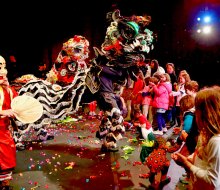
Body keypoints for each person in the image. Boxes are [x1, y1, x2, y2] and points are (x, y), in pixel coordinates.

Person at [171, 86, 220, 189]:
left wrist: (187, 165)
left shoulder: (216, 142)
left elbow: (212, 181)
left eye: (196, 109)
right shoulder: (205, 133)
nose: (193, 112)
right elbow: (201, 155)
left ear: (207, 114)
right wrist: (188, 159)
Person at [0, 55, 18, 189]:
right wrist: (2, 112)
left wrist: (7, 87)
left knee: (6, 154)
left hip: (3, 129)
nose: (3, 70)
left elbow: (15, 102)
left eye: (4, 66)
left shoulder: (3, 87)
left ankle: (4, 182)